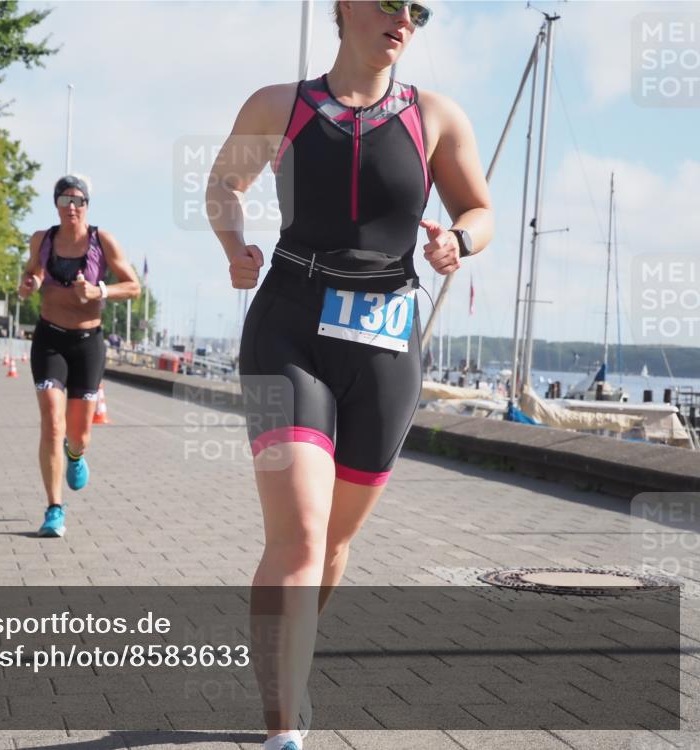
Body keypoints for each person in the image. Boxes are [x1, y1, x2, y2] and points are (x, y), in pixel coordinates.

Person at [206, 2, 494, 748]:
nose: (403, 17)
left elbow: (480, 208)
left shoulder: (435, 118)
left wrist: (458, 241)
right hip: (289, 327)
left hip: (385, 345)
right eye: (388, 1)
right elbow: (223, 186)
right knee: (300, 534)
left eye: (419, 8)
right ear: (342, 7)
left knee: (332, 547)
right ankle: (281, 727)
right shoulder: (282, 105)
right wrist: (235, 243)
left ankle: (286, 657)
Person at [18, 175, 141, 538]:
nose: (72, 207)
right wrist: (29, 285)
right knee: (52, 422)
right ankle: (54, 508)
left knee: (79, 435)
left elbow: (133, 286)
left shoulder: (102, 241)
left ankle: (76, 455)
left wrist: (99, 289)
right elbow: (32, 272)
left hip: (88, 343)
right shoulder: (42, 239)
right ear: (56, 205)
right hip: (49, 339)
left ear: (88, 205)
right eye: (65, 200)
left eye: (78, 201)